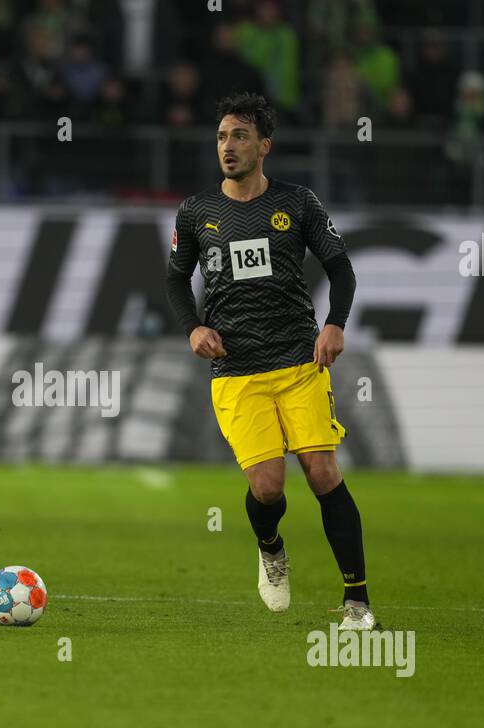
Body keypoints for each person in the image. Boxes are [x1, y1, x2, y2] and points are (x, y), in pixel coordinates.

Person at [165, 92, 375, 631]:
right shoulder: (196, 213)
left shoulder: (299, 203)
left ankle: (357, 602)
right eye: (220, 137)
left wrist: (336, 323)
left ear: (264, 145)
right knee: (268, 488)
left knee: (323, 471)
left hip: (298, 360)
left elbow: (342, 269)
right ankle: (271, 548)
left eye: (238, 136)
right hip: (237, 371)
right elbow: (174, 278)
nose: (227, 147)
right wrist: (193, 327)